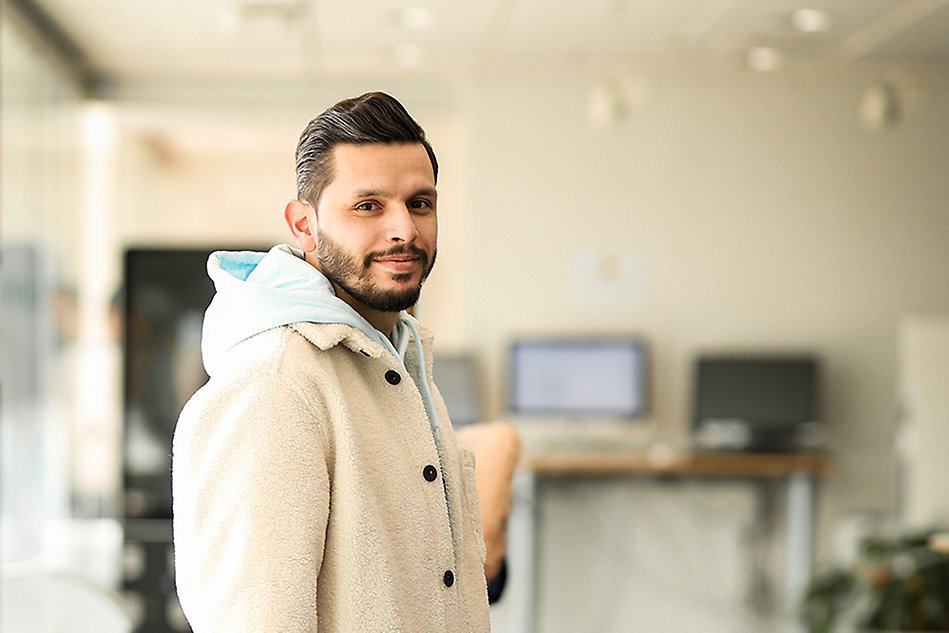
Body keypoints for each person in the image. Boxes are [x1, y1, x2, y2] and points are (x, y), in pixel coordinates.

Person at [172, 92, 493, 631]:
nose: (405, 231)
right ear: (303, 225)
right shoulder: (273, 386)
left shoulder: (399, 360)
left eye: (420, 203)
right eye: (368, 206)